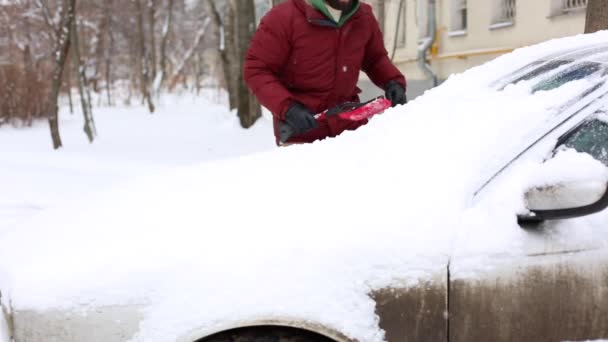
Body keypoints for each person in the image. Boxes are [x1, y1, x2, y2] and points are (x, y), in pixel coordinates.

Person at [244, 0, 407, 145]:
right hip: (301, 135)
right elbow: (257, 70)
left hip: (350, 130)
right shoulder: (283, 18)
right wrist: (288, 108)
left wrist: (392, 81)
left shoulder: (363, 16)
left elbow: (375, 59)